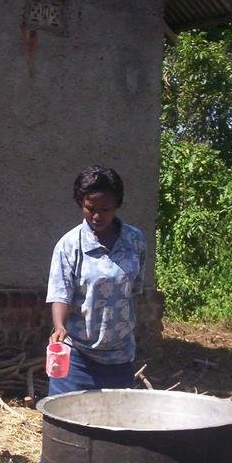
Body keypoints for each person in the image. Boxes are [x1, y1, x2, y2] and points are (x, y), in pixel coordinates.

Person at [47, 165, 146, 393]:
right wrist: (59, 326)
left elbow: (134, 290)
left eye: (106, 209)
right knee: (66, 424)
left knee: (115, 425)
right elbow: (61, 293)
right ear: (80, 203)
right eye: (90, 208)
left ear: (118, 205)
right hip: (77, 359)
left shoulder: (135, 241)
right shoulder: (69, 245)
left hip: (120, 360)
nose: (97, 216)